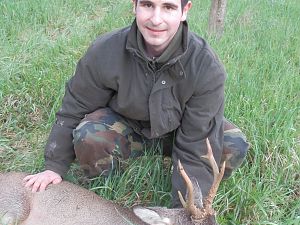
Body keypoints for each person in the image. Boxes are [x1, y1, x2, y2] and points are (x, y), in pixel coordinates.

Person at [24, 0, 249, 207]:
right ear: (134, 5)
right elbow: (74, 108)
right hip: (128, 127)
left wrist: (185, 211)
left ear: (185, 10)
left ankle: (175, 168)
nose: (156, 19)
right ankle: (112, 179)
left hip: (179, 131)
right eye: (148, 5)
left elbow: (199, 141)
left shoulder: (205, 66)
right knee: (88, 136)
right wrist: (54, 166)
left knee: (232, 145)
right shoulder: (106, 50)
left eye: (168, 7)